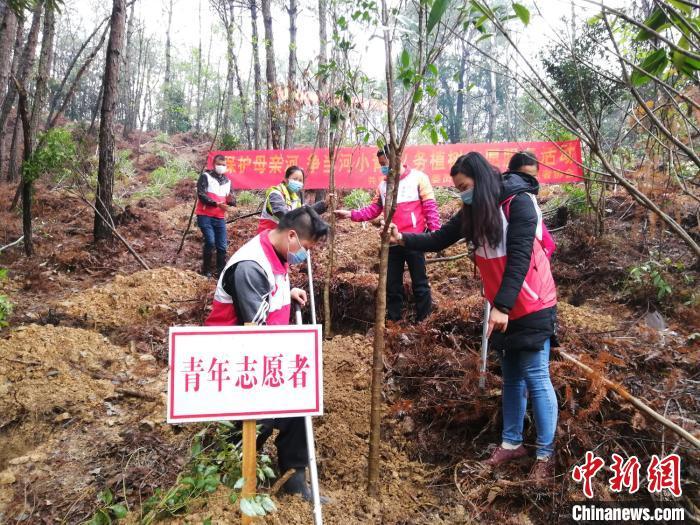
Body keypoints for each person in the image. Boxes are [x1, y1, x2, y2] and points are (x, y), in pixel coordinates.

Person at [389, 152, 558, 484]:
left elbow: (520, 257)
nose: (461, 194)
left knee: (536, 375)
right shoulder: (473, 211)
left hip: (532, 303)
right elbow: (438, 239)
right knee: (511, 376)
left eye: (464, 187)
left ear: (480, 180)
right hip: (503, 305)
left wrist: (503, 307)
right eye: (457, 189)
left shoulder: (518, 204)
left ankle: (545, 454)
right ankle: (512, 443)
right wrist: (403, 238)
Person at [205, 206, 329, 500]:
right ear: (292, 235)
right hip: (234, 356)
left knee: (299, 403)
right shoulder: (251, 266)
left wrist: (288, 294)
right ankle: (231, 465)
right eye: (306, 248)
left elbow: (268, 293)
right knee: (265, 415)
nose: (305, 256)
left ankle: (293, 477)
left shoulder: (274, 248)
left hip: (261, 348)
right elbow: (255, 331)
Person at [335, 148, 441, 322]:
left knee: (420, 283)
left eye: (386, 163)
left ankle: (425, 322)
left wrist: (435, 235)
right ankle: (394, 321)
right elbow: (373, 209)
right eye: (381, 165)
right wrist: (350, 214)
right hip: (391, 241)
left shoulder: (419, 178)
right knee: (392, 285)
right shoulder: (383, 186)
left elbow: (430, 208)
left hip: (414, 240)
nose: (383, 167)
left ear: (399, 158)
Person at [507, 151, 556, 259]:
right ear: (509, 172)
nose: (528, 181)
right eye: (522, 176)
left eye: (532, 176)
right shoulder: (507, 198)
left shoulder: (530, 193)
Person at [196, 154, 235, 277]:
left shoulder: (228, 181)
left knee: (222, 246)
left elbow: (232, 200)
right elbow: (201, 194)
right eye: (219, 164)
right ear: (213, 164)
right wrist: (216, 204)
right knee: (210, 241)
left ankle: (221, 272)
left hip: (219, 217)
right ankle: (206, 270)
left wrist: (230, 201)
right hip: (204, 215)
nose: (221, 167)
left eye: (223, 165)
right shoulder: (205, 176)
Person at [258, 165, 328, 233]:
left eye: (300, 180)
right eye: (295, 179)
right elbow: (284, 215)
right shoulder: (275, 194)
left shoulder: (296, 199)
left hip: (282, 238)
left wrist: (325, 204)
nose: (297, 182)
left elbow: (305, 211)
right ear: (286, 179)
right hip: (266, 237)